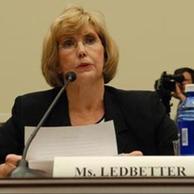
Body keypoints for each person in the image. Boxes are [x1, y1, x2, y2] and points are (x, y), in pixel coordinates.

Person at [0, 5, 178, 177]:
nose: (82, 51)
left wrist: (144, 169)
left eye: (90, 40)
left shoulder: (144, 109)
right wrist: (5, 173)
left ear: (105, 53)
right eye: (69, 43)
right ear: (56, 62)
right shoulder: (31, 111)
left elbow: (183, 164)